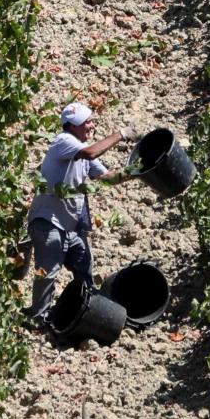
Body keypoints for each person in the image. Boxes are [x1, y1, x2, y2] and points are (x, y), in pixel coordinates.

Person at [27, 101, 131, 326]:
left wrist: (133, 172)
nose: (91, 126)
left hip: (71, 225)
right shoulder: (64, 142)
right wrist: (120, 135)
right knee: (48, 272)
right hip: (48, 222)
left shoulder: (80, 151)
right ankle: (39, 319)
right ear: (72, 126)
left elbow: (105, 178)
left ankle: (86, 314)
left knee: (84, 267)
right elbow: (91, 152)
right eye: (87, 122)